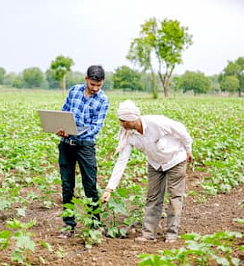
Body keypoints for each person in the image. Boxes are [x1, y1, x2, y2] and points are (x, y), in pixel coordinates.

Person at [102, 100, 193, 243]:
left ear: (132, 119)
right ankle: (148, 234)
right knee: (153, 197)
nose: (121, 123)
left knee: (175, 197)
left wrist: (188, 150)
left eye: (123, 120)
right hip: (155, 164)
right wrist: (109, 188)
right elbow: (121, 161)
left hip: (175, 159)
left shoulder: (157, 122)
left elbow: (181, 131)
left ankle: (171, 234)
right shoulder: (127, 134)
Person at [56, 65, 109, 238]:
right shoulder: (74, 91)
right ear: (86, 79)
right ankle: (68, 225)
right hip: (66, 143)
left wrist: (76, 132)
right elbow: (64, 111)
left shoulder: (103, 100)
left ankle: (95, 224)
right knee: (67, 185)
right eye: (92, 84)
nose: (95, 89)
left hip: (85, 146)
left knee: (90, 185)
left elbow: (96, 127)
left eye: (98, 85)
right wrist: (61, 127)